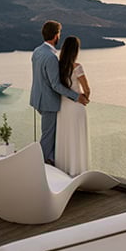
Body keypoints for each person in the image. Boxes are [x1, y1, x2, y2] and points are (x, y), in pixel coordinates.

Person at [30, 21, 88, 165]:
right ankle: (38, 167)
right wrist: (77, 97)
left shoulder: (37, 51)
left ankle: (52, 161)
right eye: (59, 34)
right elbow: (55, 85)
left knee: (52, 134)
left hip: (37, 98)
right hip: (48, 102)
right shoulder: (51, 57)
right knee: (48, 136)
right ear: (56, 36)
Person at [55, 36, 91, 176]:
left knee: (65, 137)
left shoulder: (57, 67)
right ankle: (78, 171)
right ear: (76, 50)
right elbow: (86, 89)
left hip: (63, 107)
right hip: (76, 107)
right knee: (77, 138)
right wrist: (85, 98)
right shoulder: (77, 67)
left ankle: (64, 171)